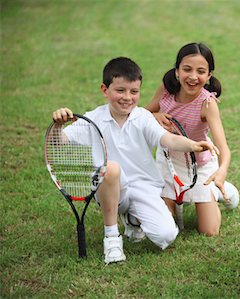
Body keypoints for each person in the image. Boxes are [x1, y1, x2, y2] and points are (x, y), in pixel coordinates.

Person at [51, 57, 218, 264]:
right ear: (105, 90)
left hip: (143, 187)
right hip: (109, 186)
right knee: (111, 168)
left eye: (134, 92)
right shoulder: (93, 119)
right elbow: (59, 143)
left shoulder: (144, 118)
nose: (127, 98)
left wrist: (193, 145)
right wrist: (58, 125)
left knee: (166, 235)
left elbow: (168, 139)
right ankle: (112, 238)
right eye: (120, 91)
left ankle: (133, 218)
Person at [147, 42, 239, 236]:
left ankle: (220, 190)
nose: (193, 77)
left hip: (200, 166)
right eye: (187, 69)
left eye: (201, 71)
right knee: (164, 221)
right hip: (168, 162)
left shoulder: (207, 103)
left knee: (209, 231)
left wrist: (221, 171)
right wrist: (155, 116)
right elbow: (143, 114)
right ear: (177, 71)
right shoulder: (166, 90)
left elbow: (223, 147)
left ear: (208, 76)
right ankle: (176, 198)